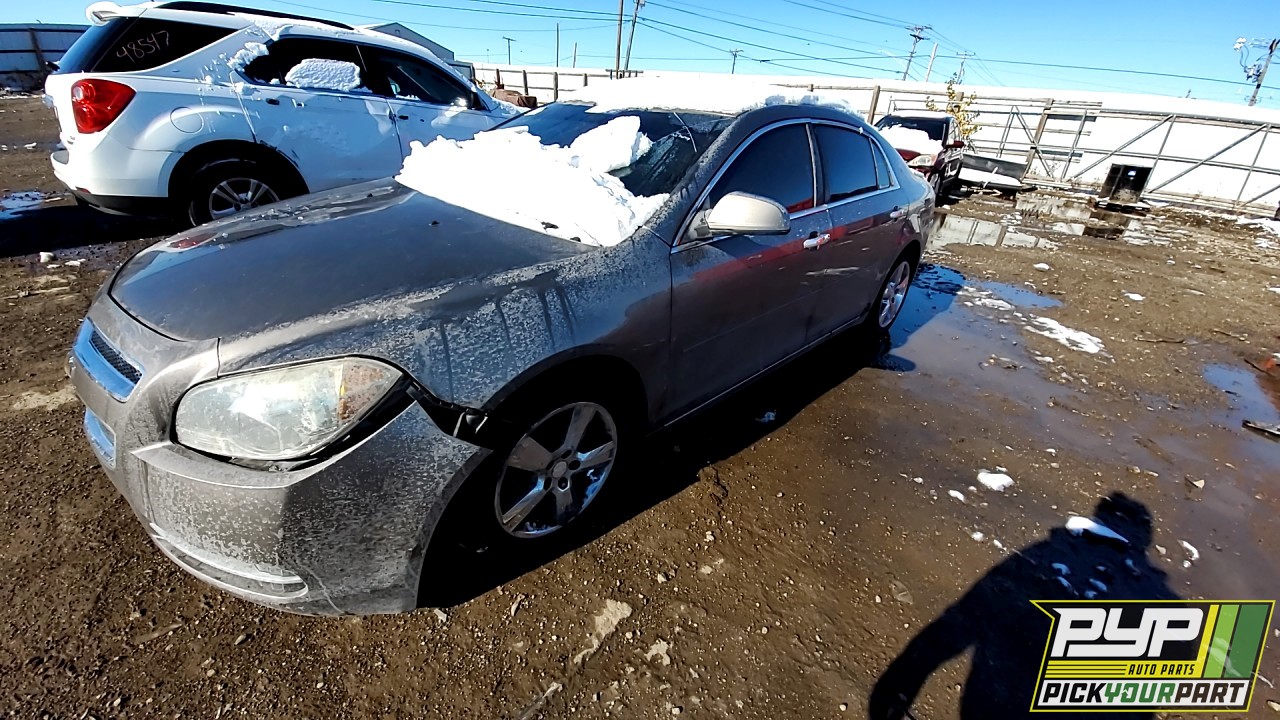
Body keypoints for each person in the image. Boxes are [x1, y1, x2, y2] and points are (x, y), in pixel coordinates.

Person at [869, 492, 1178, 720]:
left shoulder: (1039, 559)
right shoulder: (1163, 601)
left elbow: (960, 622)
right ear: (1140, 542)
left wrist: (898, 685)